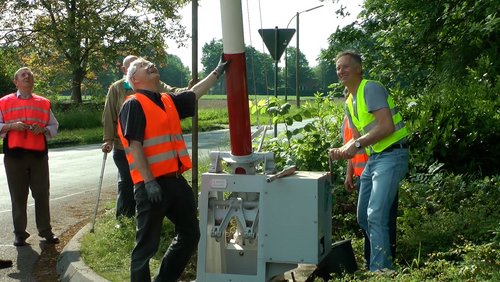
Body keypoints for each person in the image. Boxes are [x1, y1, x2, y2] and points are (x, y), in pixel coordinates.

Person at [117, 56, 229, 282]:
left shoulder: (167, 100)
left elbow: (194, 93)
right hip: (151, 185)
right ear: (134, 79)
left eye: (149, 62)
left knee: (190, 234)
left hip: (175, 181)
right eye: (141, 65)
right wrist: (149, 182)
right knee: (146, 247)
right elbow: (135, 145)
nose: (149, 65)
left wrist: (217, 72)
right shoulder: (133, 104)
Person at [329, 50, 409, 272]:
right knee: (364, 215)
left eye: (346, 66)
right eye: (338, 68)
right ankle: (378, 263)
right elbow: (355, 142)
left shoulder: (370, 88)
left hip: (393, 155)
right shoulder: (350, 101)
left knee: (376, 214)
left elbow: (387, 127)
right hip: (376, 158)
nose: (341, 71)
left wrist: (353, 146)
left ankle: (381, 271)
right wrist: (342, 153)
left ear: (359, 69)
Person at [101, 55, 192, 220]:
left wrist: (189, 90)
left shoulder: (153, 83)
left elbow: (173, 93)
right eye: (130, 66)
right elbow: (109, 114)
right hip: (124, 148)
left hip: (147, 151)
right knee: (127, 183)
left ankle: (142, 215)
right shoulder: (117, 88)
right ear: (125, 71)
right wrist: (107, 139)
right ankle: (123, 217)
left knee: (144, 186)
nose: (134, 67)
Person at [0, 67, 60, 247]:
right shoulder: (3, 102)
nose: (27, 76)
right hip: (14, 156)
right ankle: (20, 233)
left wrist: (44, 129)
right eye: (23, 75)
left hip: (38, 155)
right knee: (18, 196)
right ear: (15, 81)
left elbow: (54, 127)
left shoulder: (43, 102)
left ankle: (45, 230)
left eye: (30, 75)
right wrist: (10, 126)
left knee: (42, 193)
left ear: (33, 82)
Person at [340, 88, 399, 269]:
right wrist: (349, 172)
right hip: (364, 174)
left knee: (381, 218)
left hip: (380, 169)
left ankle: (383, 265)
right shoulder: (349, 116)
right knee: (368, 219)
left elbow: (374, 137)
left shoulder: (370, 108)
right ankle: (374, 260)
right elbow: (350, 146)